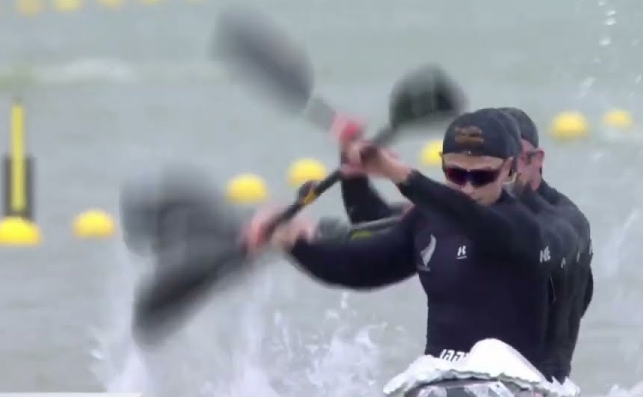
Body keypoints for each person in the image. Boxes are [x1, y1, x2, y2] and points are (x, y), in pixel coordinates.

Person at [244, 109, 575, 368]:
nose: (469, 187)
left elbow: (473, 219)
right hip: (439, 377)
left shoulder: (525, 225)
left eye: (482, 175)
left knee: (489, 355)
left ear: (508, 170)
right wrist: (294, 244)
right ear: (444, 167)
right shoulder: (425, 222)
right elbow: (361, 267)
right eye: (457, 174)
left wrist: (397, 173)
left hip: (517, 381)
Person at [499, 107, 593, 382]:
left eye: (512, 161)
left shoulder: (569, 220)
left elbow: (557, 237)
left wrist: (515, 197)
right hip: (477, 369)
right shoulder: (472, 209)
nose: (505, 172)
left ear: (536, 159)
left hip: (544, 381)